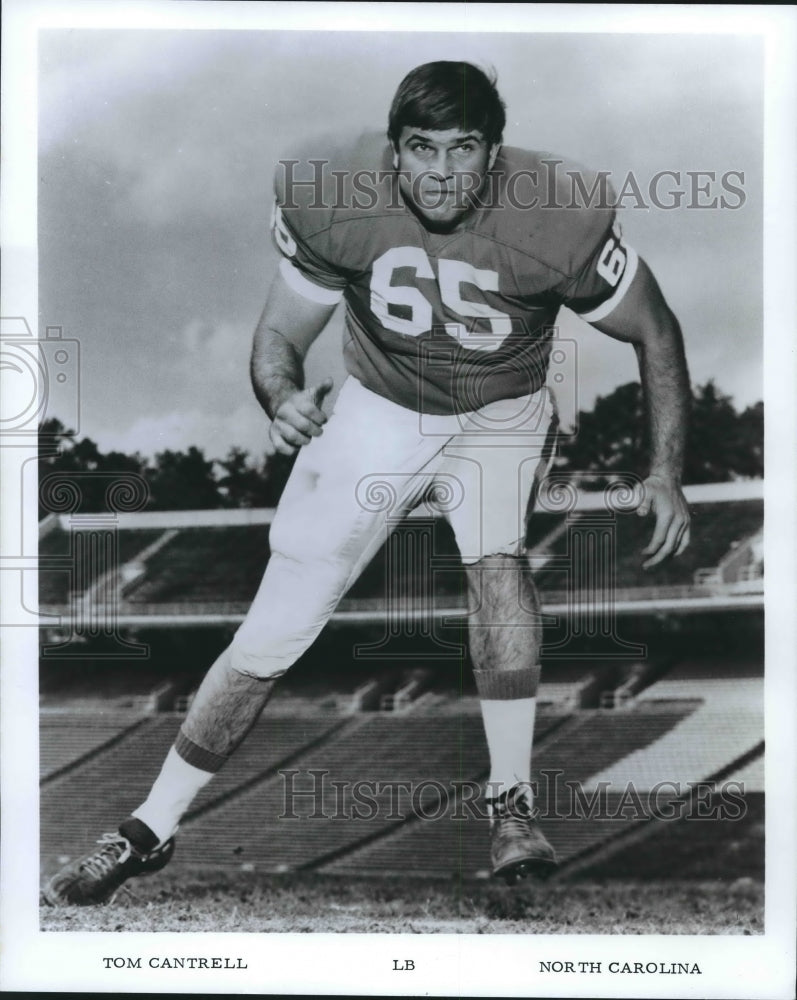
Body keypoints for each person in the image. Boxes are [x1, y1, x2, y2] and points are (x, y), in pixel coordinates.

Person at [44, 61, 690, 905]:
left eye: (464, 150)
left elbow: (656, 328)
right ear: (392, 153)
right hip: (379, 406)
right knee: (273, 631)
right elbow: (279, 333)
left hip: (500, 408)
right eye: (421, 149)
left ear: (495, 155)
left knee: (496, 561)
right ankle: (149, 828)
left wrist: (665, 472)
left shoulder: (555, 215)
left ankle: (511, 807)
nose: (441, 172)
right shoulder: (336, 196)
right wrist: (279, 398)